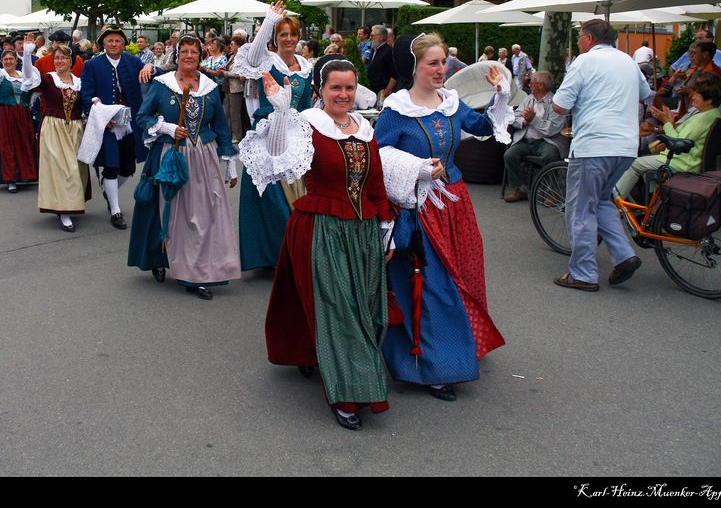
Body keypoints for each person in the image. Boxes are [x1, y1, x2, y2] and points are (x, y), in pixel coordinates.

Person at [240, 59, 394, 431]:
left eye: (349, 87)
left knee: (366, 310)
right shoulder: (308, 124)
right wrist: (280, 110)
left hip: (362, 233)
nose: (343, 94)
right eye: (335, 88)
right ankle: (348, 396)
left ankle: (313, 353)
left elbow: (374, 184)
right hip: (321, 230)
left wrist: (386, 224)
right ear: (320, 90)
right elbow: (276, 155)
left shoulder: (365, 128)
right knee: (340, 311)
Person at [375, 32, 510, 402]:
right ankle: (431, 367)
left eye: (443, 62)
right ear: (414, 67)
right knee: (432, 287)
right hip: (420, 211)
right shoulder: (396, 110)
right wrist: (418, 169)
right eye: (432, 63)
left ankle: (462, 347)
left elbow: (483, 128)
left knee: (463, 277)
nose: (441, 69)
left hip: (455, 204)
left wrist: (500, 94)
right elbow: (379, 159)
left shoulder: (450, 102)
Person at [129, 34, 240, 300]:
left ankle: (197, 271)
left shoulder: (210, 88)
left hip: (204, 158)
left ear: (201, 57)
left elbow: (222, 128)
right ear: (177, 56)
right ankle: (161, 257)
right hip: (170, 156)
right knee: (165, 212)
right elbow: (142, 116)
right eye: (185, 51)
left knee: (201, 216)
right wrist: (166, 127)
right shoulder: (161, 85)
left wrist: (230, 163)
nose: (189, 55)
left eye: (194, 52)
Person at [551, 19, 652, 292]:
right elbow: (646, 94)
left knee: (581, 209)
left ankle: (583, 273)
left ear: (588, 38)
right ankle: (624, 255)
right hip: (626, 146)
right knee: (602, 200)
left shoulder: (583, 63)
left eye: (579, 37)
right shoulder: (629, 62)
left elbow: (560, 106)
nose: (577, 42)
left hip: (594, 145)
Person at [231, 0, 313, 271]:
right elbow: (252, 57)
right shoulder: (267, 61)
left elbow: (305, 105)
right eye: (283, 35)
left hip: (295, 133)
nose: (288, 39)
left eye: (292, 35)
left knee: (297, 196)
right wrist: (268, 21)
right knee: (273, 200)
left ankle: (292, 254)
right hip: (269, 132)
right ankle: (274, 256)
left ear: (299, 37)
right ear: (275, 39)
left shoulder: (305, 66)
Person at [79, 25, 157, 230]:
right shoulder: (92, 65)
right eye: (110, 40)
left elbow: (157, 76)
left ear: (124, 44)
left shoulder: (133, 62)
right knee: (111, 166)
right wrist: (99, 111)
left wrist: (151, 68)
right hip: (106, 123)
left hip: (130, 122)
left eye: (118, 41)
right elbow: (85, 94)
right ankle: (115, 210)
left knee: (129, 167)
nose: (114, 44)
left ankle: (108, 189)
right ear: (103, 43)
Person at [22, 45, 95, 232]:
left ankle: (71, 204)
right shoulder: (48, 79)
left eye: (63, 58)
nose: (59, 61)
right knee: (62, 169)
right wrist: (27, 54)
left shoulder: (78, 82)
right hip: (54, 128)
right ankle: (64, 211)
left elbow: (86, 104)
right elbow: (29, 79)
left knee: (76, 169)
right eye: (56, 58)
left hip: (76, 129)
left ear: (70, 61)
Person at [615, 75, 721, 200]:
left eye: (697, 95)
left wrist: (666, 121)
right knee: (644, 160)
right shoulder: (714, 113)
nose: (692, 97)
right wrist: (669, 122)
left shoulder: (702, 118)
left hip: (680, 162)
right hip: (687, 161)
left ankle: (616, 201)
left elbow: (677, 143)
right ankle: (651, 201)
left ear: (709, 100)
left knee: (634, 164)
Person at [0, 45, 39, 193]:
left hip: (22, 116)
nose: (8, 61)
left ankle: (26, 175)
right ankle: (10, 179)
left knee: (24, 145)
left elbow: (29, 71)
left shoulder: (23, 75)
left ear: (15, 61)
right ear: (1, 61)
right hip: (4, 115)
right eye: (5, 59)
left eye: (11, 58)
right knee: (7, 147)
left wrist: (26, 53)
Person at [503, 71, 569, 202]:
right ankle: (520, 189)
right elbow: (514, 117)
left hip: (547, 141)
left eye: (531, 83)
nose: (529, 85)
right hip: (525, 139)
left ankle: (552, 192)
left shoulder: (554, 103)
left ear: (541, 85)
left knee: (551, 155)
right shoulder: (528, 99)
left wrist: (534, 119)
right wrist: (524, 121)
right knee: (509, 155)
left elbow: (552, 129)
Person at [223, 35, 247, 143]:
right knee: (227, 112)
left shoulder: (241, 58)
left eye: (232, 45)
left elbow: (240, 74)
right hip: (229, 87)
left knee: (235, 113)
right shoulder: (233, 56)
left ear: (238, 46)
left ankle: (237, 135)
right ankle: (229, 133)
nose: (230, 46)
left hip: (236, 88)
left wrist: (224, 73)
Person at [366, 24, 396, 103]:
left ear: (381, 37)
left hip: (382, 90)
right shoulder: (374, 50)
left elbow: (394, 74)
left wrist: (387, 91)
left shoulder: (389, 51)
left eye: (372, 36)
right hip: (372, 90)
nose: (370, 38)